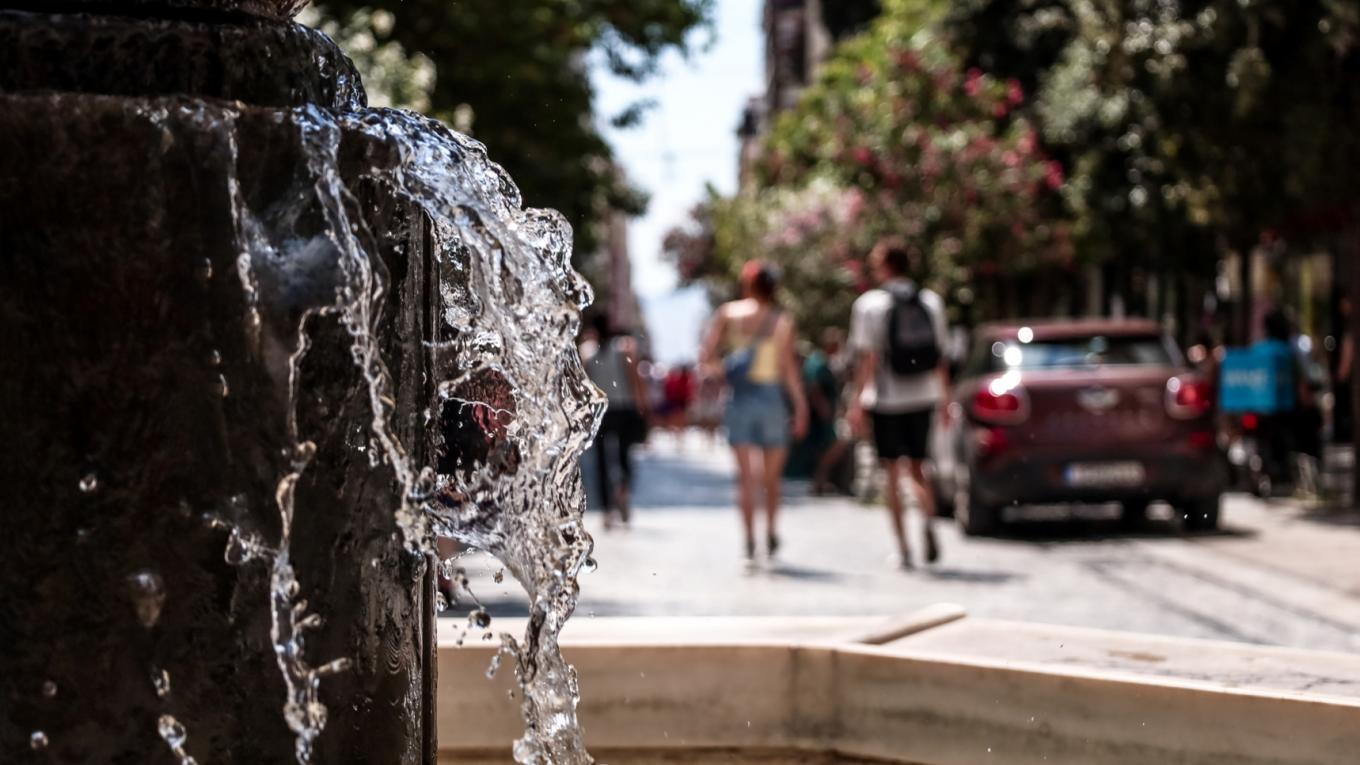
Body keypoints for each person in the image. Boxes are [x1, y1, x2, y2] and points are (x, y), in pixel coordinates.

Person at [846, 239, 950, 569]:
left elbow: (868, 358)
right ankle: (929, 517)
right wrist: (945, 398)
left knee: (892, 472)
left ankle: (904, 549)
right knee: (919, 467)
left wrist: (856, 402)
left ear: (884, 266)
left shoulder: (870, 305)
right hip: (924, 395)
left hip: (887, 399)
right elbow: (940, 357)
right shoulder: (931, 302)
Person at [700, 261, 808, 563]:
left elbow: (706, 357)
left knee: (745, 478)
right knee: (770, 479)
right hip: (772, 398)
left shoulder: (728, 314)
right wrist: (800, 406)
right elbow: (788, 370)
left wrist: (726, 369)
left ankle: (749, 539)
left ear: (747, 284)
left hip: (739, 398)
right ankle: (770, 531)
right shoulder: (781, 321)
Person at [581, 314, 650, 529]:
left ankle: (606, 510)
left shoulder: (587, 351)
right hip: (624, 408)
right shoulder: (624, 347)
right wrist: (642, 406)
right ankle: (622, 491)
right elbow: (634, 378)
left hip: (600, 412)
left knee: (601, 461)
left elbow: (583, 383)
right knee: (624, 455)